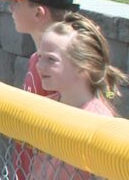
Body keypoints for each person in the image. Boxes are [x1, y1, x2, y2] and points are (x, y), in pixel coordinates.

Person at [0, 0, 81, 179]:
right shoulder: (39, 61)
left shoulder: (62, 70)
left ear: (38, 13)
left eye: (17, 3)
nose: (10, 8)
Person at [30, 12, 128, 180]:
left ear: (84, 66)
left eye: (51, 60)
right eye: (40, 57)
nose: (39, 65)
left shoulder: (97, 121)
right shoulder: (48, 106)